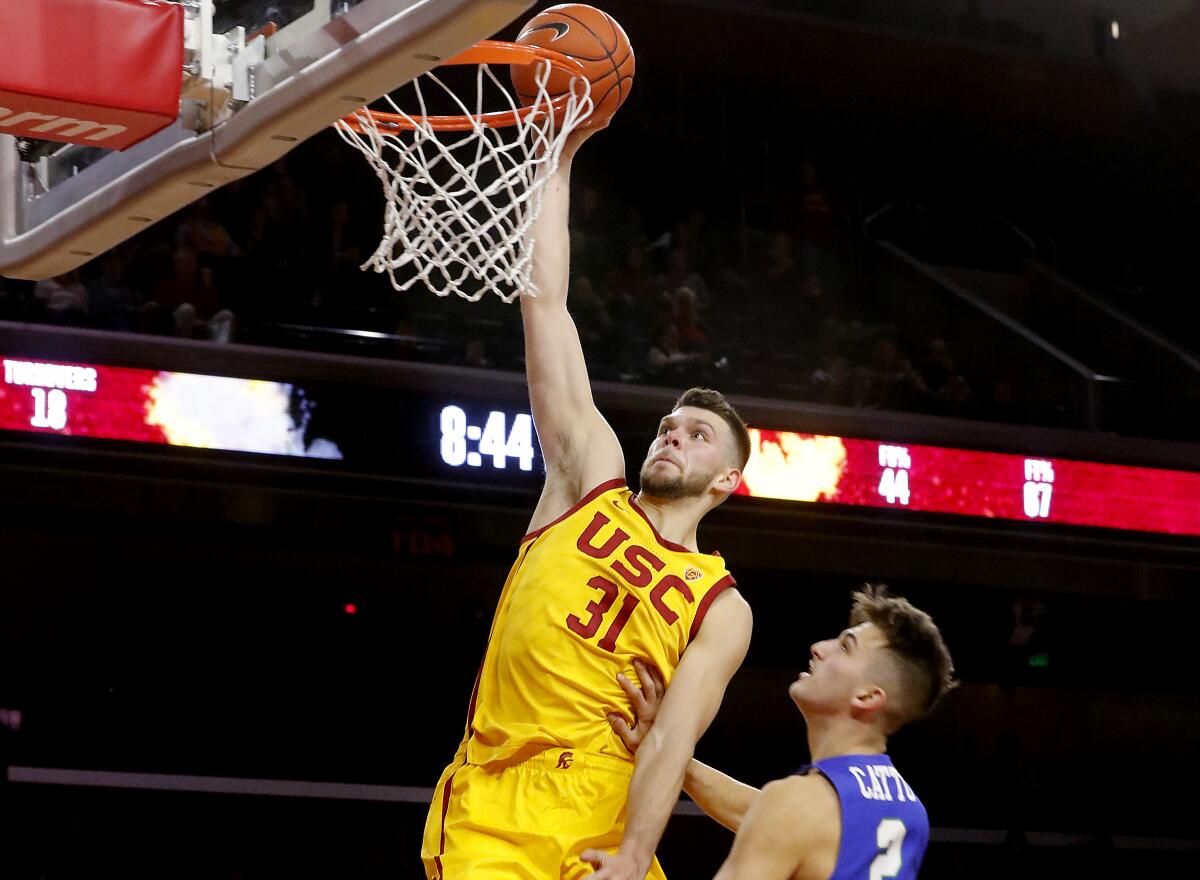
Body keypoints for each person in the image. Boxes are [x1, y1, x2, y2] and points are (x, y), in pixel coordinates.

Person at [420, 126, 754, 880]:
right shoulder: (590, 478)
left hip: (609, 808)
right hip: (501, 798)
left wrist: (637, 851)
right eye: (669, 425)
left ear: (725, 481)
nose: (672, 436)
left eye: (697, 436)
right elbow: (546, 304)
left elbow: (671, 739)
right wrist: (555, 160)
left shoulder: (721, 606)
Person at [611, 586, 956, 880]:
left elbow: (781, 816)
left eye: (845, 646)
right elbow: (763, 816)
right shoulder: (908, 810)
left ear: (867, 697)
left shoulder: (797, 804)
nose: (819, 647)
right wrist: (667, 748)